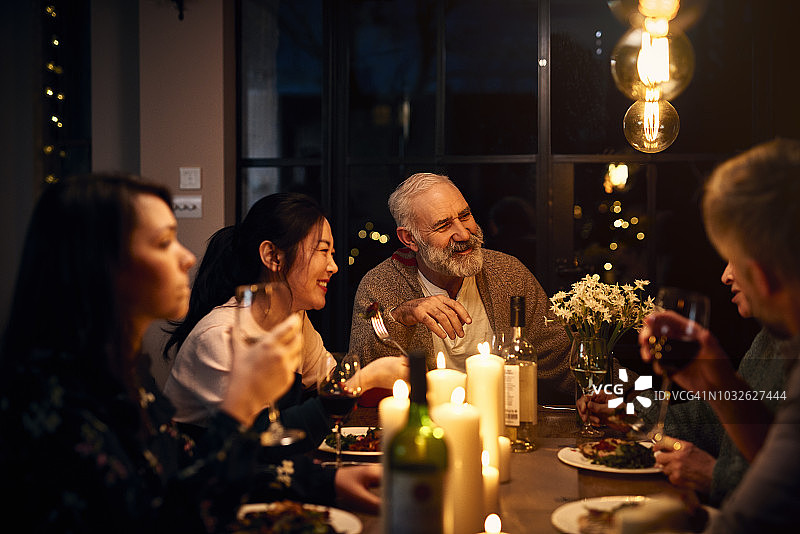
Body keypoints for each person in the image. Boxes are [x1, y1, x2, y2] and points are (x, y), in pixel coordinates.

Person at [0, 174, 365, 532]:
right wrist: (240, 407)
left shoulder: (127, 379)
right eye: (163, 242)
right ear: (101, 265)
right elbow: (166, 519)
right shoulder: (56, 408)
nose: (188, 258)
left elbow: (187, 469)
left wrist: (327, 484)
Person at [638, 138, 800, 532]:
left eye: (734, 258)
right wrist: (717, 382)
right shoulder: (778, 340)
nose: (726, 275)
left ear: (761, 273)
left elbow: (757, 517)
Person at [164, 192, 405, 448]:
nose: (333, 266)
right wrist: (364, 380)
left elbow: (326, 385)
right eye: (323, 251)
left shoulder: (294, 318)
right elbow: (258, 441)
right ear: (273, 256)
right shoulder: (219, 335)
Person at [349, 172, 574, 403]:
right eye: (443, 226)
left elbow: (559, 356)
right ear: (410, 239)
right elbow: (363, 380)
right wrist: (399, 317)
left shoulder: (510, 273)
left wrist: (606, 391)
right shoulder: (378, 285)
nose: (465, 233)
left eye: (465, 216)